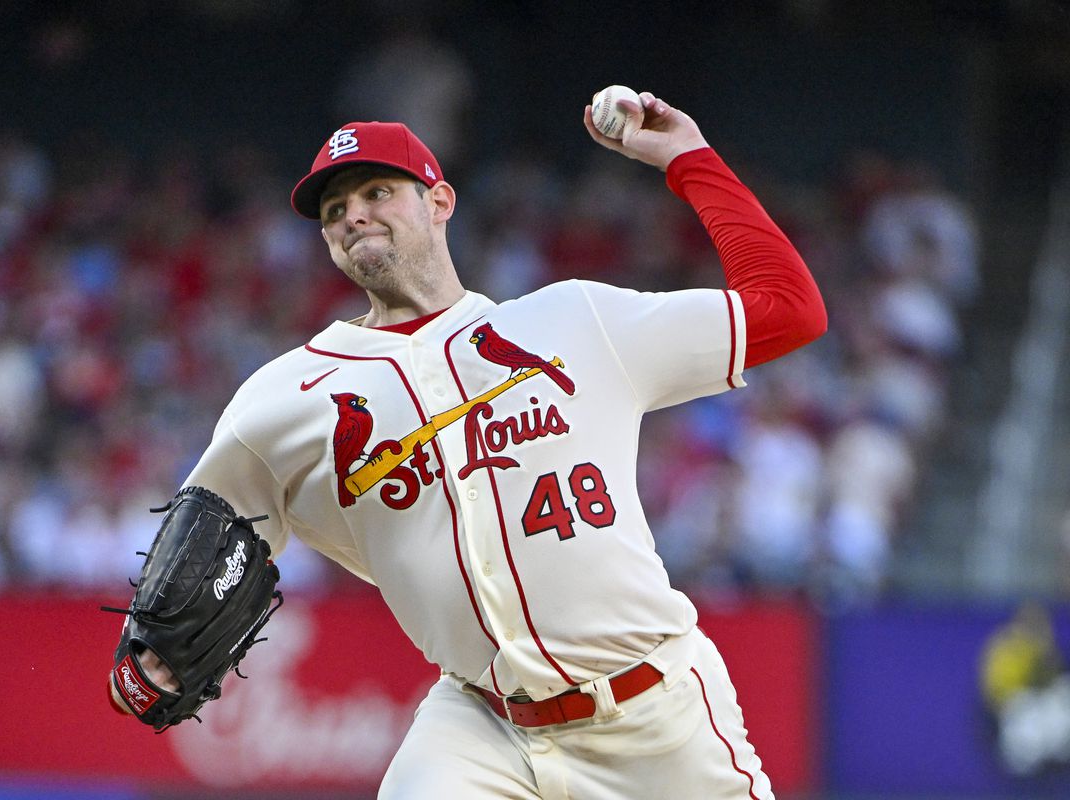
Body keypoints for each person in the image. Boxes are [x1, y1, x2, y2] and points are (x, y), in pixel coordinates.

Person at [109, 90, 826, 799]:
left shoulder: (575, 321)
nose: (353, 213)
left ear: (440, 202)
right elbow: (202, 534)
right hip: (483, 728)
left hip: (655, 715)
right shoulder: (283, 400)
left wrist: (686, 158)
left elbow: (790, 309)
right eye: (334, 211)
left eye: (377, 191)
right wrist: (149, 655)